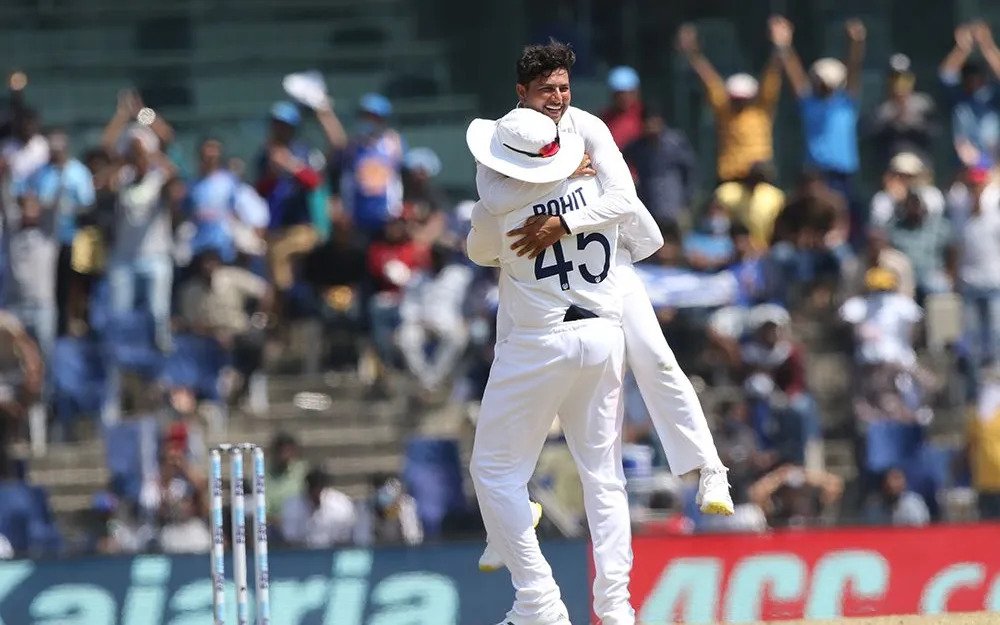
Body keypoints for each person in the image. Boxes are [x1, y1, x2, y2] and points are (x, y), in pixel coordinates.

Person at [466, 106, 644, 625]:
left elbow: (482, 253)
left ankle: (538, 602)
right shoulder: (596, 190)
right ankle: (616, 610)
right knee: (605, 477)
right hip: (604, 335)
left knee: (494, 471)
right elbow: (639, 227)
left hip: (541, 341)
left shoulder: (493, 211)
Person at [772, 15, 866, 240]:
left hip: (843, 173)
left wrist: (856, 44)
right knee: (813, 221)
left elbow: (854, 68)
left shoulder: (845, 104)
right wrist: (784, 45)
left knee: (844, 223)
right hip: (816, 175)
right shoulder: (810, 104)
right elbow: (795, 77)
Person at [676, 21, 782, 183]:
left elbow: (771, 81)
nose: (739, 102)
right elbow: (711, 82)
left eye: (743, 98)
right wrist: (693, 55)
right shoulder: (724, 111)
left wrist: (780, 48)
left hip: (760, 179)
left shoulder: (761, 111)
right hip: (730, 179)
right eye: (736, 98)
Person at [398, 243, 473, 393]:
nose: (438, 260)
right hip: (421, 323)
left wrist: (466, 318)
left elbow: (469, 301)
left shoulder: (460, 276)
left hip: (449, 322)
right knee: (406, 339)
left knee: (458, 338)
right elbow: (408, 303)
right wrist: (415, 319)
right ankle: (426, 379)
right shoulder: (418, 276)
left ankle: (434, 378)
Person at [622, 105, 697, 225]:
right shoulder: (637, 146)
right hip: (648, 207)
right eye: (647, 122)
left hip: (676, 206)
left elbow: (689, 171)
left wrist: (687, 200)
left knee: (679, 241)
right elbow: (621, 159)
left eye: (654, 121)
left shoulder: (675, 142)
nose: (651, 126)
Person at [939, 21, 1000, 166]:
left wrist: (987, 45)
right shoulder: (959, 98)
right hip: (965, 166)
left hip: (994, 163)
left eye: (976, 77)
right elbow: (946, 74)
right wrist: (962, 48)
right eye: (969, 77)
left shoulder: (993, 96)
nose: (973, 81)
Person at [866, 54, 937, 168]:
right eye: (895, 78)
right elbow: (872, 138)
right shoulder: (881, 109)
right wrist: (894, 119)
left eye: (905, 78)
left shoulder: (923, 104)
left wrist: (912, 122)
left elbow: (933, 132)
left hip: (919, 163)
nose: (900, 83)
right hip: (892, 169)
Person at [280, 466, 357, 548]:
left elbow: (346, 537)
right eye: (313, 490)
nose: (316, 494)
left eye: (319, 490)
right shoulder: (292, 505)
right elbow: (290, 538)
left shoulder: (341, 505)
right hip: (302, 553)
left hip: (333, 551)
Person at [601, 66, 644, 149]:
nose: (624, 97)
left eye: (629, 93)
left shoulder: (645, 115)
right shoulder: (605, 117)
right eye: (619, 94)